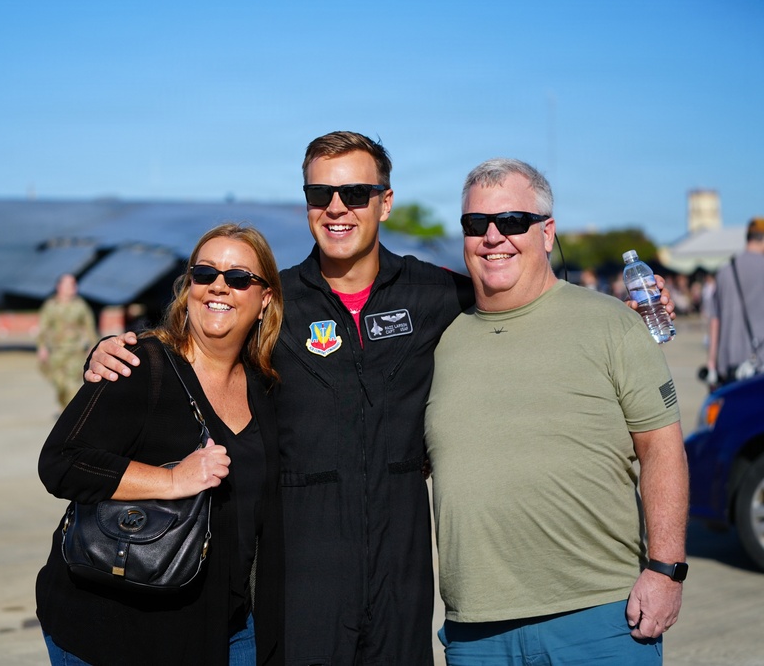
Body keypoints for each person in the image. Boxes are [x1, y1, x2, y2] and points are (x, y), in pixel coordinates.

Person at [84, 132, 676, 664]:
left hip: (401, 562)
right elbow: (200, 335)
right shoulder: (275, 302)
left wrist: (614, 316)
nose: (337, 209)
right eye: (321, 195)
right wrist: (119, 349)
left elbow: (519, 288)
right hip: (301, 567)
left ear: (384, 203)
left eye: (356, 193)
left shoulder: (435, 292)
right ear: (307, 204)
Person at [424, 158, 688, 664]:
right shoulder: (440, 342)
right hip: (476, 633)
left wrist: (666, 569)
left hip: (602, 619)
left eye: (513, 222)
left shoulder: (612, 324)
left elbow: (662, 448)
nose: (493, 237)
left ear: (547, 233)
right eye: (476, 224)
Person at [35, 223, 285, 665]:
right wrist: (172, 479)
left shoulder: (264, 386)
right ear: (188, 287)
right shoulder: (140, 364)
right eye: (204, 274)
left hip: (227, 628)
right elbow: (61, 462)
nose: (219, 287)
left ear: (264, 298)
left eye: (239, 277)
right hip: (115, 632)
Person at [706, 217, 764, 387]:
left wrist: (711, 363)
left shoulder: (725, 270)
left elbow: (714, 320)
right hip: (760, 361)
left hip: (728, 360)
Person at [36, 274, 99, 408]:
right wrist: (42, 347)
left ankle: (70, 413)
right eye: (68, 284)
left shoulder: (80, 306)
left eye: (74, 284)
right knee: (60, 385)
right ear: (59, 287)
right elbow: (43, 328)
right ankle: (64, 407)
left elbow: (89, 327)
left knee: (72, 385)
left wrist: (93, 346)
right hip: (57, 352)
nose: (72, 287)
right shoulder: (50, 306)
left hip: (75, 351)